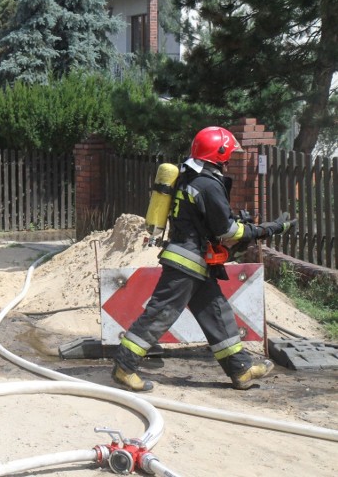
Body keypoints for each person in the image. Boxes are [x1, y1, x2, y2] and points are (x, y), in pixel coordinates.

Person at [112, 126, 296, 393]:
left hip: (195, 261)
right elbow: (227, 231)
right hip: (187, 262)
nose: (228, 159)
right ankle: (124, 367)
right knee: (160, 314)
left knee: (217, 313)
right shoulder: (208, 184)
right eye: (227, 154)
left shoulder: (189, 176)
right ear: (218, 154)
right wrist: (267, 229)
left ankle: (240, 369)